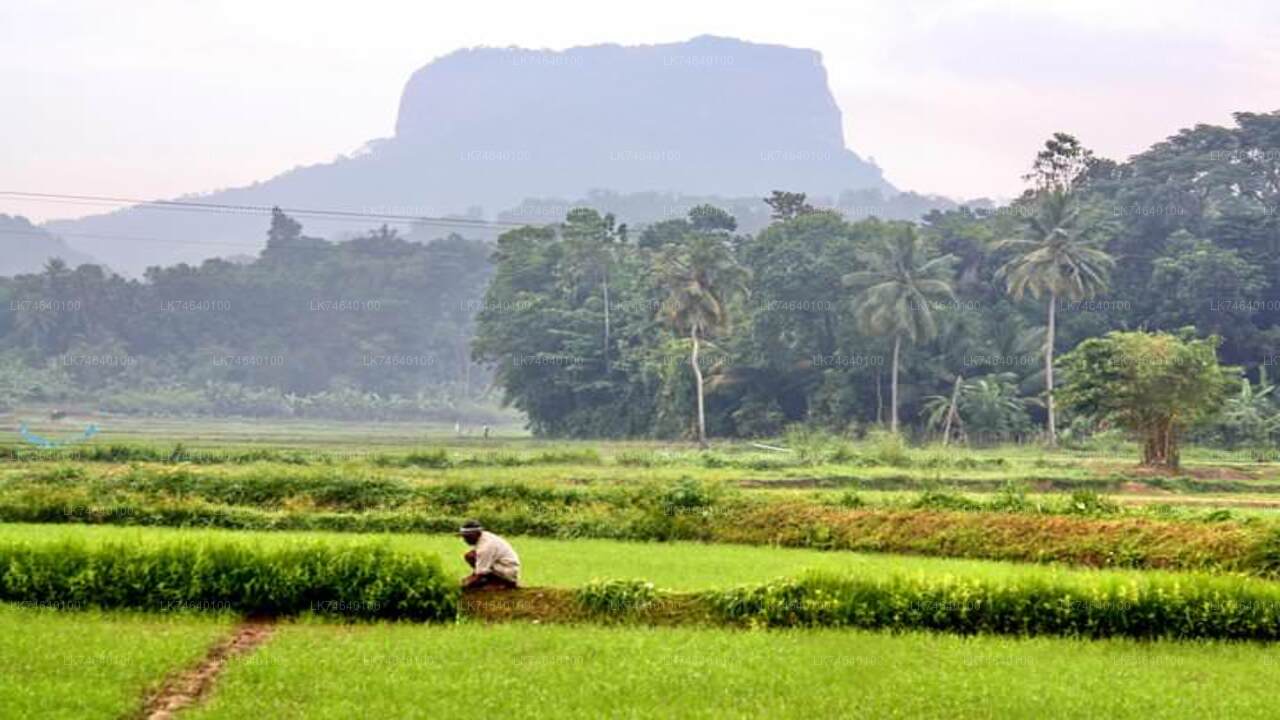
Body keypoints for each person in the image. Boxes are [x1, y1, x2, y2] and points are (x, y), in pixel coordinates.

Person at [458, 520, 520, 590]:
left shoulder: (485, 547)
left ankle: (503, 583)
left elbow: (481, 573)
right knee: (470, 556)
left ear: (476, 534)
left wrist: (464, 585)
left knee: (477, 587)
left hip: (508, 570)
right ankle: (490, 580)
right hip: (500, 565)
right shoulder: (482, 537)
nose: (465, 540)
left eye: (467, 537)